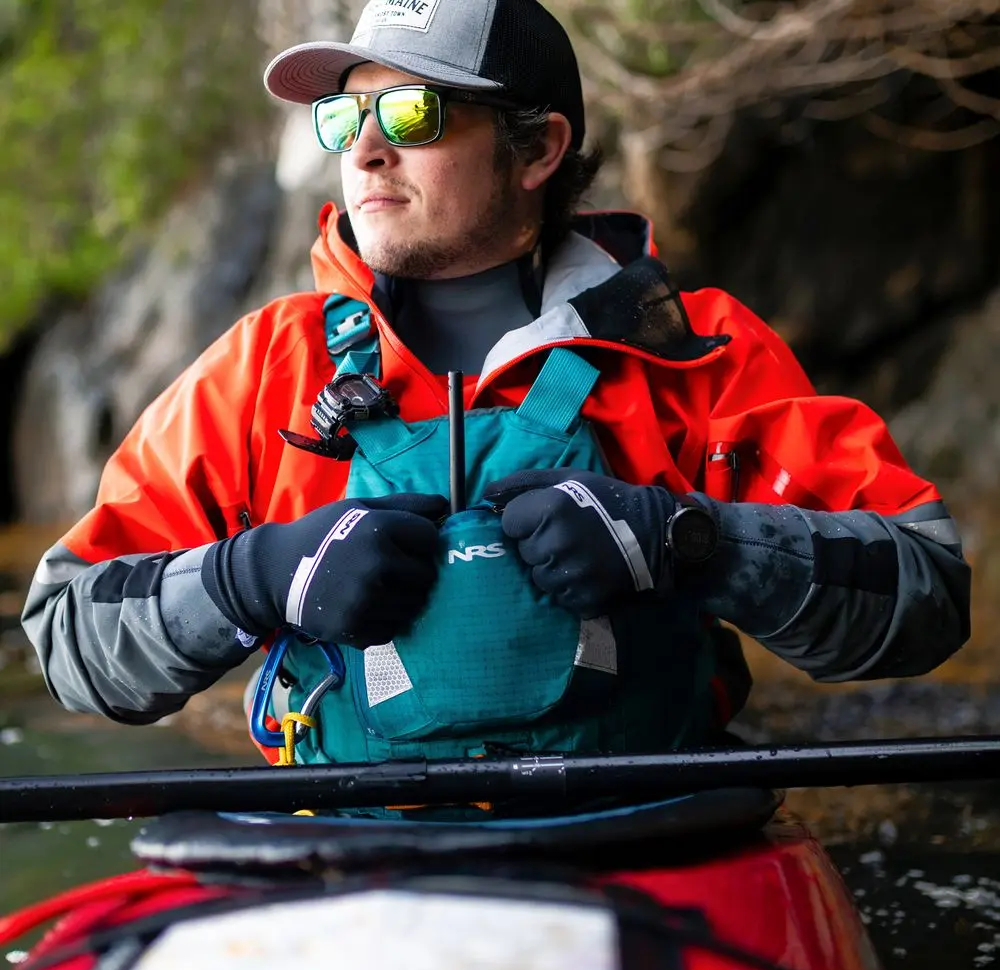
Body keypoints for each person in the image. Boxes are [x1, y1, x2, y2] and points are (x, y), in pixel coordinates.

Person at [22, 0, 970, 768]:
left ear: (538, 149)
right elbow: (67, 636)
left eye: (412, 114)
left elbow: (926, 588)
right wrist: (251, 579)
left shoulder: (693, 354)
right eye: (347, 118)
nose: (364, 150)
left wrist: (689, 543)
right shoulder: (266, 369)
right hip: (350, 857)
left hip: (648, 838)